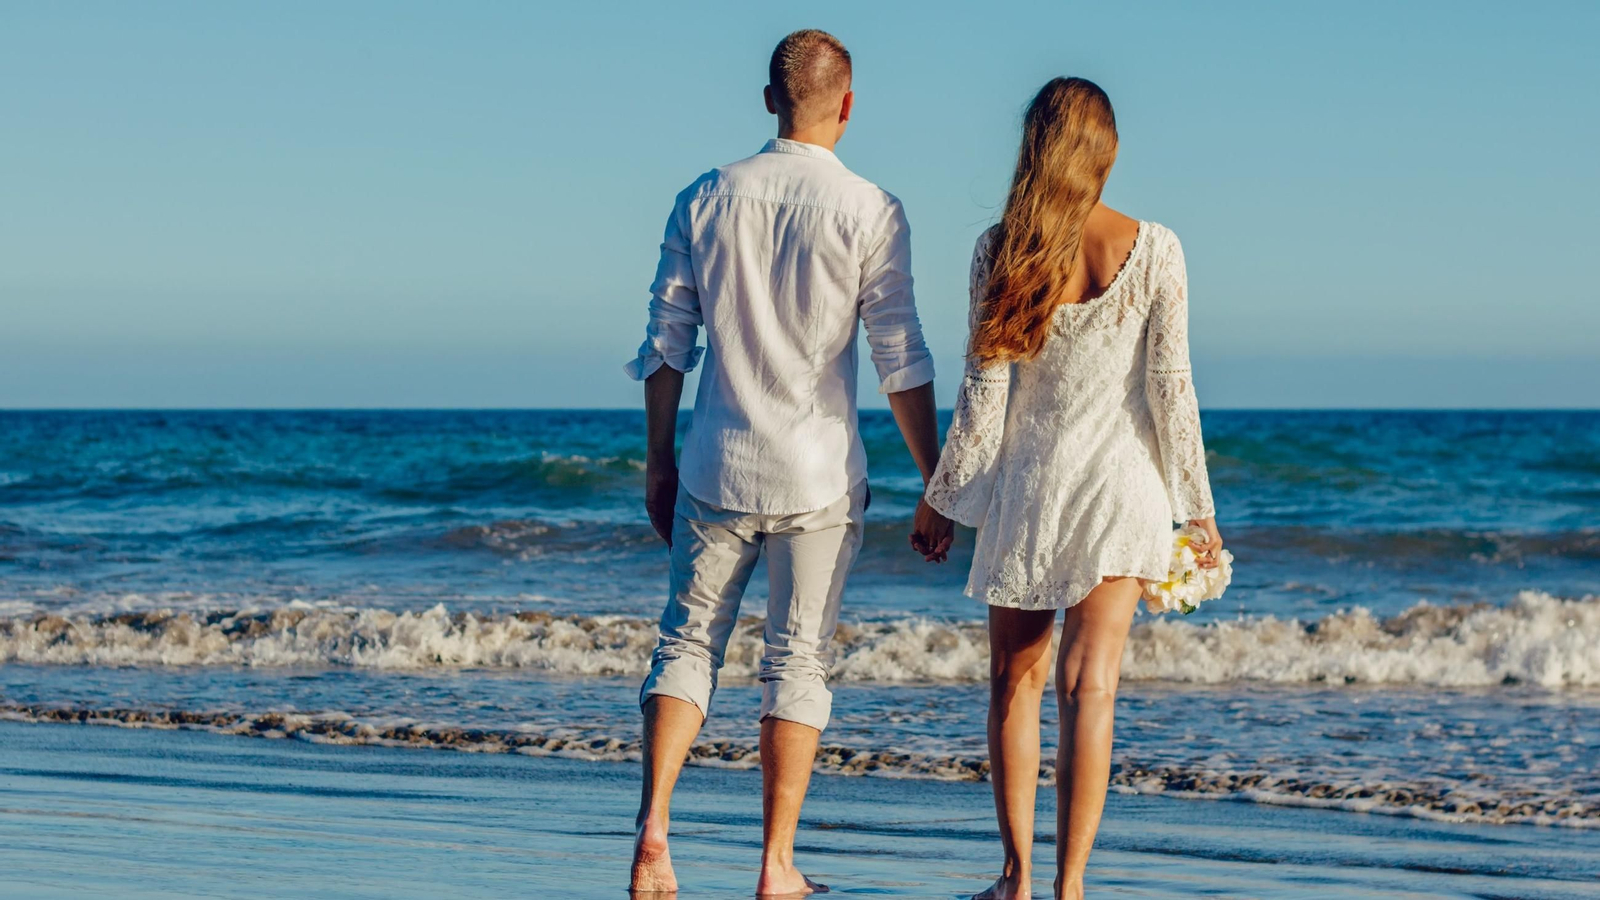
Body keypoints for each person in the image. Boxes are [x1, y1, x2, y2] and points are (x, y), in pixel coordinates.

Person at [624, 28, 948, 897]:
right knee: (795, 663)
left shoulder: (704, 196)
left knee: (687, 643)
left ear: (770, 99)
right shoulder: (872, 210)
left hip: (714, 462)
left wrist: (658, 462)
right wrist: (937, 482)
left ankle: (655, 829)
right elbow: (900, 359)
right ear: (847, 105)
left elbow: (665, 347)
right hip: (816, 473)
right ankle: (775, 866)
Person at [915, 77, 1223, 900]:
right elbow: (1172, 390)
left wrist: (943, 499)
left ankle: (1015, 879)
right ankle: (1071, 885)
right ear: (1107, 153)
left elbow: (982, 402)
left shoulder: (999, 249)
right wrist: (1198, 509)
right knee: (1092, 691)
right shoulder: (1156, 247)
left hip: (1032, 493)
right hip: (1125, 493)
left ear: (1033, 148)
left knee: (1014, 684)